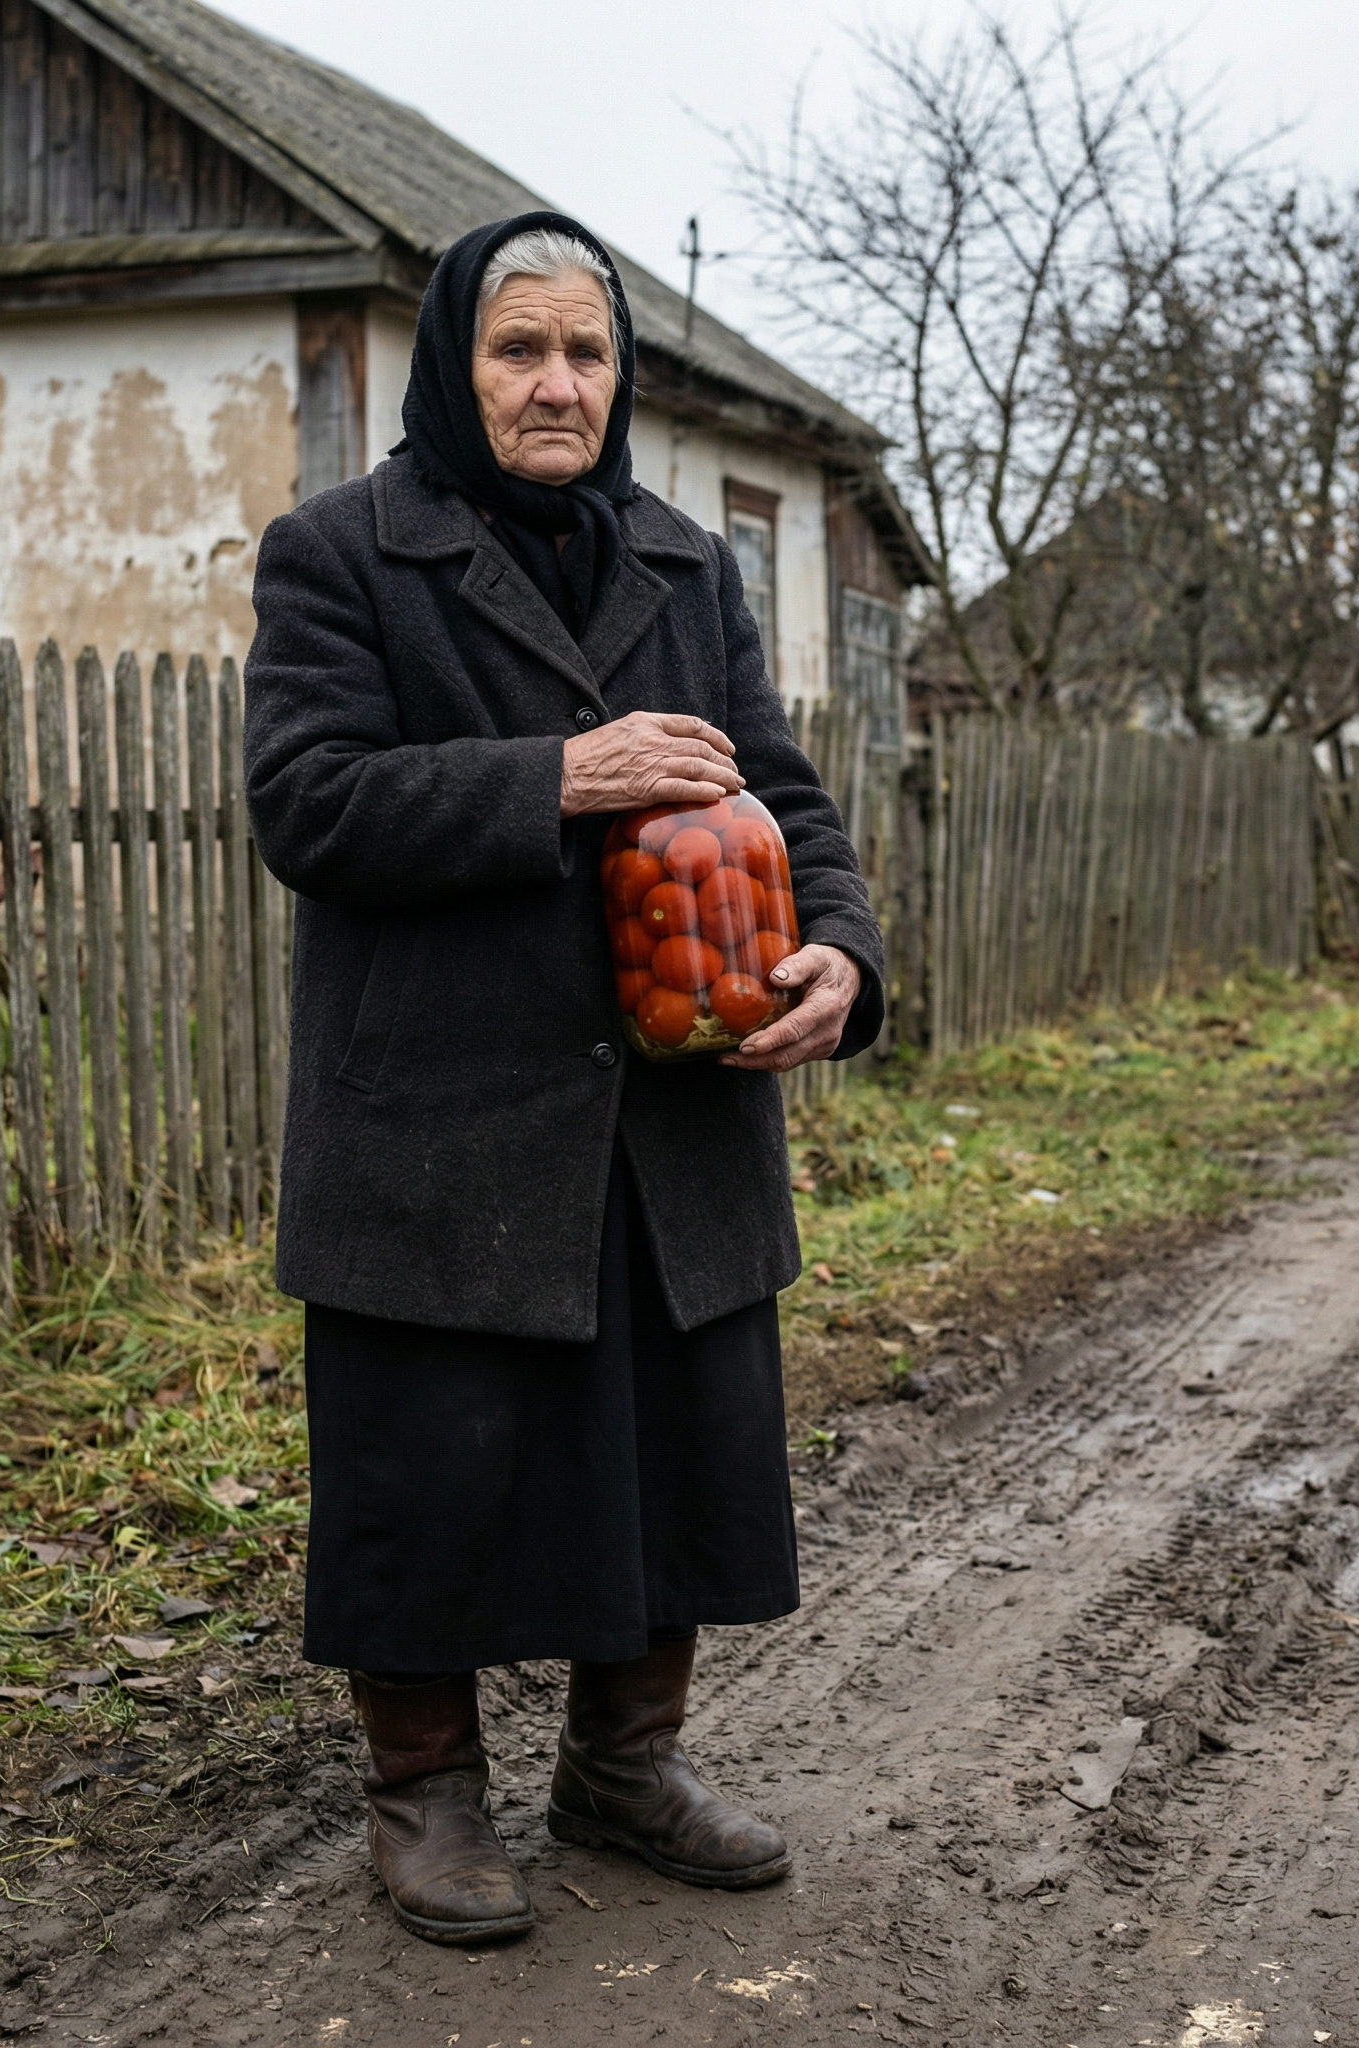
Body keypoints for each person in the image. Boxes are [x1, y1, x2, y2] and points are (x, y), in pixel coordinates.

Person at [243, 210, 885, 1947]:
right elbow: (309, 804)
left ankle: (624, 1762)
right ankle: (424, 1792)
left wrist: (842, 947)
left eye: (587, 353)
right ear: (455, 365)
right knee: (431, 1460)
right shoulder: (340, 557)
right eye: (519, 349)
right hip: (442, 1116)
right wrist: (561, 775)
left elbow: (785, 792)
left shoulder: (685, 561)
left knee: (665, 1442)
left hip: (670, 1098)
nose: (556, 383)